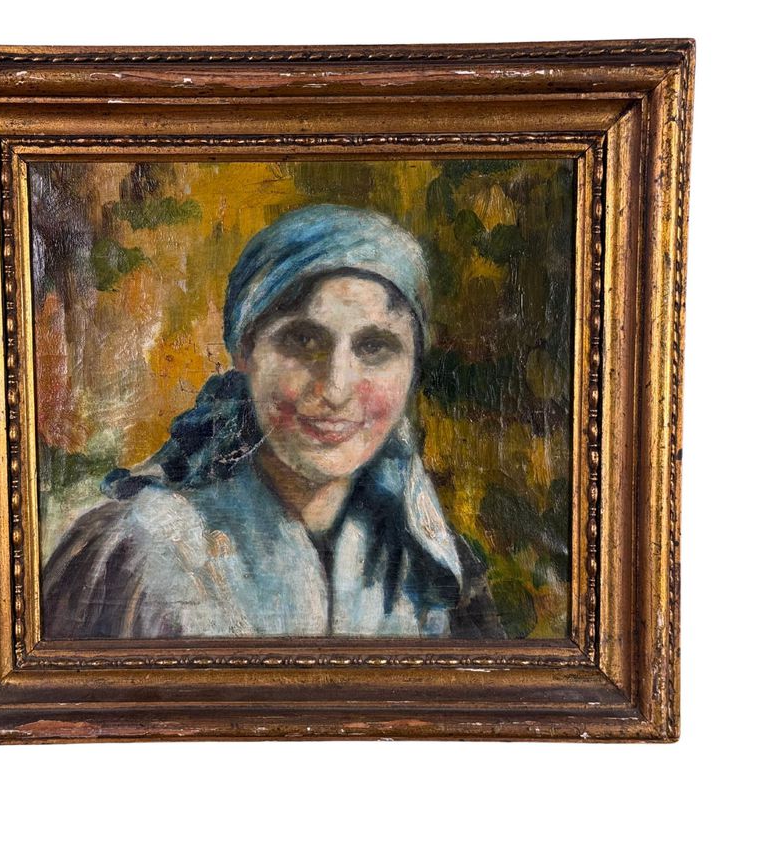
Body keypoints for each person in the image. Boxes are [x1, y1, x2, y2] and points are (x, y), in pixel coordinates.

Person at [42, 203, 504, 639]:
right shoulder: (140, 550)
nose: (335, 388)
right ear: (245, 351)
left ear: (412, 366)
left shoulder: (433, 575)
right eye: (303, 340)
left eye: (374, 347)